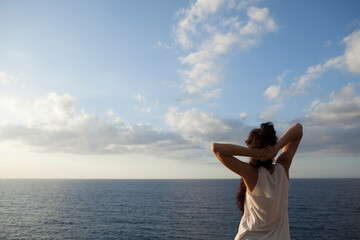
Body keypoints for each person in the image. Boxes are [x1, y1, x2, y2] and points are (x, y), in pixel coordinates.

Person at [212, 122, 303, 240]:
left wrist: (254, 153)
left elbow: (217, 148)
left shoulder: (252, 174)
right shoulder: (282, 169)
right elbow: (298, 129)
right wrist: (277, 147)